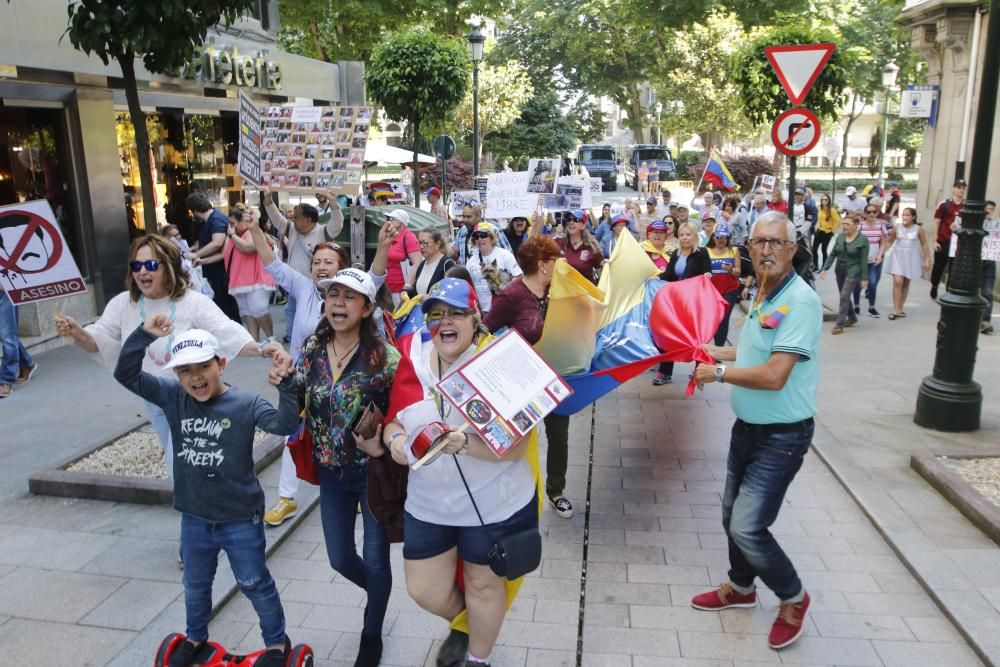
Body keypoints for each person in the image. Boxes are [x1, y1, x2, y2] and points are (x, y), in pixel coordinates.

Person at [114, 320, 298, 667]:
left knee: (253, 582)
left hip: (240, 516)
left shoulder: (245, 403)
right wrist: (144, 336)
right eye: (185, 371)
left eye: (203, 367)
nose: (195, 377)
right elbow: (126, 374)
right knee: (196, 584)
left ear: (221, 364)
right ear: (177, 375)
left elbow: (284, 425)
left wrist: (287, 385)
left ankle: (276, 644)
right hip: (195, 517)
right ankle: (196, 636)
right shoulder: (172, 396)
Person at [385, 278, 541, 667]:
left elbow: (516, 446)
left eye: (456, 312)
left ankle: (478, 658)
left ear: (476, 319)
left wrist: (463, 444)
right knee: (424, 589)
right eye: (436, 314)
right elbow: (393, 422)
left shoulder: (500, 359)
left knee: (483, 584)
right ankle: (466, 623)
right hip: (429, 503)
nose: (445, 322)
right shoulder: (412, 354)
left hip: (494, 503)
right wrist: (396, 445)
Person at [691, 211, 821, 652]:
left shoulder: (800, 302)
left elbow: (774, 375)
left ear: (791, 250)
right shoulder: (765, 291)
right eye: (759, 242)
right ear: (749, 248)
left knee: (748, 526)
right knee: (731, 515)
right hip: (747, 428)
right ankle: (742, 589)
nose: (765, 249)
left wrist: (720, 372)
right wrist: (718, 350)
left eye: (775, 243)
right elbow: (754, 349)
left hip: (783, 436)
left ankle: (794, 598)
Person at [55, 235, 276, 477]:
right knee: (182, 461)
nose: (142, 272)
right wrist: (77, 332)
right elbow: (98, 340)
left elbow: (227, 332)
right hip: (152, 396)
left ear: (168, 268)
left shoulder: (192, 302)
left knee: (178, 463)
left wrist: (262, 348)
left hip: (190, 396)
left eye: (150, 265)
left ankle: (196, 506)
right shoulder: (123, 304)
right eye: (136, 266)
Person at [246, 208, 396, 527]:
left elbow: (376, 277)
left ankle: (360, 490)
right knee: (294, 432)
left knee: (353, 434)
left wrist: (383, 245)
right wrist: (254, 230)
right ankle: (287, 497)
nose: (320, 267)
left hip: (350, 380)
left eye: (328, 262)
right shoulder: (301, 287)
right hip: (305, 379)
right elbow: (272, 264)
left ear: (342, 270)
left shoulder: (355, 293)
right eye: (316, 262)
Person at [292, 269, 400, 667]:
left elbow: (401, 410)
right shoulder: (312, 350)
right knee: (339, 558)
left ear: (367, 307)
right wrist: (280, 380)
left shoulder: (386, 358)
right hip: (330, 472)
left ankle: (372, 634)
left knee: (376, 557)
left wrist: (386, 437)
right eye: (332, 295)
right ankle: (380, 595)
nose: (337, 302)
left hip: (372, 473)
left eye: (348, 297)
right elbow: (294, 396)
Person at [485, 236, 575, 519]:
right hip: (520, 382)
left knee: (559, 437)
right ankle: (514, 493)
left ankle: (556, 491)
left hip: (556, 378)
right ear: (542, 264)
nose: (560, 263)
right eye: (555, 259)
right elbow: (486, 330)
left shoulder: (560, 290)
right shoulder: (512, 295)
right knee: (519, 438)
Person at [262, 193, 345, 342]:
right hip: (294, 286)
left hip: (316, 288)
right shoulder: (292, 229)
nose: (293, 219)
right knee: (291, 312)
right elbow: (277, 219)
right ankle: (294, 340)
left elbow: (337, 223)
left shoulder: (323, 232)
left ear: (309, 219)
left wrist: (333, 203)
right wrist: (268, 202)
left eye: (297, 216)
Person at [654, 222, 711, 385]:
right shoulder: (675, 254)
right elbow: (669, 274)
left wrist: (707, 276)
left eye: (688, 234)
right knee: (669, 334)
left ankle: (700, 371)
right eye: (682, 235)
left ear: (694, 236)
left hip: (694, 304)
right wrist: (655, 278)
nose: (685, 238)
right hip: (676, 302)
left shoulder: (701, 253)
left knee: (697, 337)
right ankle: (665, 372)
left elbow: (707, 272)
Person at [222, 205, 277, 342]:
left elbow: (249, 248)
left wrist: (232, 235)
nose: (231, 226)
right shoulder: (233, 236)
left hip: (258, 277)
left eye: (233, 223)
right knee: (247, 311)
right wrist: (231, 235)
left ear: (243, 222)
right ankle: (254, 341)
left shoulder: (253, 232)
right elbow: (224, 253)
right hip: (240, 279)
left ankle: (271, 338)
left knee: (259, 308)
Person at [185, 193, 241, 323]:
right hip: (216, 272)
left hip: (221, 273)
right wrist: (195, 248)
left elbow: (217, 242)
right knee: (224, 308)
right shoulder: (211, 220)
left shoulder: (215, 220)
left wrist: (197, 254)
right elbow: (210, 241)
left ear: (195, 210)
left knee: (227, 309)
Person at [820, 214, 869, 335]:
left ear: (856, 225)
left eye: (848, 224)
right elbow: (832, 254)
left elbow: (863, 260)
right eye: (844, 224)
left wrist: (864, 278)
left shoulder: (863, 240)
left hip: (853, 270)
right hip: (840, 270)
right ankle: (852, 317)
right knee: (845, 296)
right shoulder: (840, 237)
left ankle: (839, 324)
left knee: (844, 296)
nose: (844, 226)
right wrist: (825, 268)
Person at [884, 207, 932, 320]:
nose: (904, 217)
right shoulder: (897, 228)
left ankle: (900, 308)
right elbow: (889, 241)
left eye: (907, 215)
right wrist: (881, 254)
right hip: (897, 256)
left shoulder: (918, 229)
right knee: (897, 281)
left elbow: (925, 244)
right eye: (903, 215)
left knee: (905, 283)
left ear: (913, 217)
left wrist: (927, 259)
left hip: (910, 257)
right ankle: (895, 310)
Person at [465, 222, 522, 315]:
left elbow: (519, 276)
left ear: (492, 238)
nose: (480, 239)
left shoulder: (505, 255)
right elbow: (468, 286)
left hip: (502, 306)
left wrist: (504, 289)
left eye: (483, 235)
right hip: (480, 309)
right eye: (476, 236)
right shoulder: (470, 262)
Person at [929, 178, 967, 299]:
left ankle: (949, 291)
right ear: (954, 188)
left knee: (954, 268)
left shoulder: (966, 205)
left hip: (958, 243)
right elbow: (936, 222)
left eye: (963, 188)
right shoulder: (945, 204)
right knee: (939, 266)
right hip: (944, 240)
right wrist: (935, 240)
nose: (961, 190)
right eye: (959, 187)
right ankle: (934, 285)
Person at [707, 222, 742, 347]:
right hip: (711, 290)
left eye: (724, 237)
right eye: (718, 237)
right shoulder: (707, 251)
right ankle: (711, 346)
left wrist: (731, 270)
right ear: (713, 237)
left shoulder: (734, 250)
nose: (721, 239)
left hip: (729, 289)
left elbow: (738, 273)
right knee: (713, 319)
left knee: (723, 319)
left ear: (728, 237)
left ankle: (719, 348)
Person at [0, 288, 36, 399]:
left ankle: (6, 380)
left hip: (3, 288)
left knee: (7, 335)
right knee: (6, 333)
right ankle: (27, 363)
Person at [384, 209, 422, 307]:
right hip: (389, 288)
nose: (388, 222)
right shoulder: (391, 237)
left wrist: (407, 286)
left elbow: (417, 263)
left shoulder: (409, 237)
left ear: (398, 222)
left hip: (401, 290)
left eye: (391, 219)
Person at [556, 209, 604, 283]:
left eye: (576, 219)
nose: (571, 222)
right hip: (564, 292)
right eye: (569, 219)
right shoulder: (559, 242)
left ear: (583, 225)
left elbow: (601, 268)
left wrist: (606, 263)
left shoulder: (592, 246)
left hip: (585, 292)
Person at [405, 229, 456, 298]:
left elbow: (453, 293)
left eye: (425, 243)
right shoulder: (422, 264)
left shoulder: (447, 264)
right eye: (419, 243)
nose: (421, 247)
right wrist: (405, 292)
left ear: (438, 244)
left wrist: (430, 297)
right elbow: (416, 291)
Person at [859, 203, 889, 317]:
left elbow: (883, 241)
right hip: (861, 260)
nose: (871, 214)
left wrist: (880, 255)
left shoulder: (881, 225)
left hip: (875, 260)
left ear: (877, 213)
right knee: (858, 283)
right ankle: (856, 305)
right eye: (869, 212)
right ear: (865, 214)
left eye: (874, 212)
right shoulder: (860, 226)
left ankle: (872, 307)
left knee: (872, 283)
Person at [812, 194, 840, 270]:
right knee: (814, 249)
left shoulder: (832, 210)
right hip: (819, 231)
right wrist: (816, 228)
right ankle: (815, 265)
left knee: (823, 250)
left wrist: (833, 231)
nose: (824, 201)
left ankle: (824, 266)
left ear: (828, 201)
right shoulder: (820, 209)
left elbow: (837, 222)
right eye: (822, 200)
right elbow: (819, 220)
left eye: (826, 200)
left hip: (827, 232)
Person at [983, 200, 997, 335]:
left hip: (989, 261)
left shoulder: (995, 226)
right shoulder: (973, 224)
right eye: (987, 208)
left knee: (987, 291)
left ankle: (985, 320)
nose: (989, 211)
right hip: (974, 262)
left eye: (991, 209)